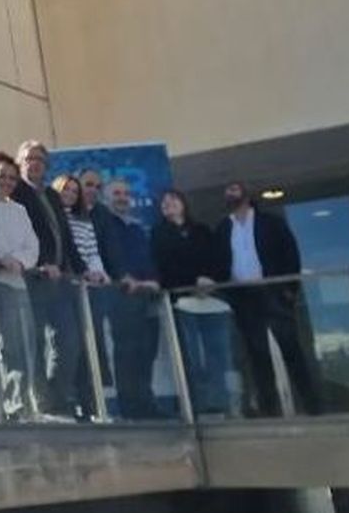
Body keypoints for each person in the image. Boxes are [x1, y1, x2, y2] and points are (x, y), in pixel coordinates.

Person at [217, 182, 323, 417]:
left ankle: (313, 406)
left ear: (246, 195)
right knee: (257, 356)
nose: (230, 194)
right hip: (244, 296)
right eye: (227, 192)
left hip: (272, 291)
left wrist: (289, 289)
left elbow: (290, 253)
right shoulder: (224, 227)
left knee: (291, 349)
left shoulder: (270, 222)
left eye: (234, 190)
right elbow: (220, 262)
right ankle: (269, 409)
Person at [16, 141, 88, 421]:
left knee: (68, 340)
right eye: (29, 159)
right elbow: (24, 234)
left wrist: (81, 268)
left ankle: (59, 398)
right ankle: (42, 401)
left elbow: (65, 237)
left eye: (40, 160)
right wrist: (40, 261)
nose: (34, 164)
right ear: (20, 161)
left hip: (59, 279)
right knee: (33, 342)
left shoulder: (52, 195)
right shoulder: (17, 192)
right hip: (33, 277)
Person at [152, 189, 232, 416]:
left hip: (213, 302)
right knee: (191, 358)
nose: (168, 204)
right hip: (183, 303)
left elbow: (218, 258)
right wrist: (193, 281)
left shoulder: (202, 231)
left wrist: (211, 280)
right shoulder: (160, 234)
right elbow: (164, 267)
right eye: (164, 202)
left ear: (183, 203)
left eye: (173, 200)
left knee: (218, 356)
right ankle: (196, 406)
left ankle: (220, 404)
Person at [0, 154, 41, 420]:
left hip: (15, 285)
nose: (6, 181)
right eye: (1, 176)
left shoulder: (20, 210)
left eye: (11, 178)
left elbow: (32, 246)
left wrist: (16, 260)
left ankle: (16, 406)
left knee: (16, 348)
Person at [99, 178, 163, 419]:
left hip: (148, 296)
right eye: (116, 193)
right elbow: (111, 259)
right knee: (127, 352)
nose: (122, 197)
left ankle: (147, 403)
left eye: (126, 193)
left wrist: (153, 281)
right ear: (107, 197)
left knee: (148, 351)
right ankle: (131, 408)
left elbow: (148, 260)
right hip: (122, 297)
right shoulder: (107, 225)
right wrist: (126, 278)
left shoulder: (136, 228)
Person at [54, 173, 113, 419]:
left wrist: (99, 273)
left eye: (74, 192)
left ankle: (90, 403)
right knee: (69, 345)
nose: (69, 195)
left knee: (90, 347)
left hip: (85, 291)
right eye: (65, 190)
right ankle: (63, 397)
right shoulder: (55, 218)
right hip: (61, 288)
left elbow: (92, 251)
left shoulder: (83, 219)